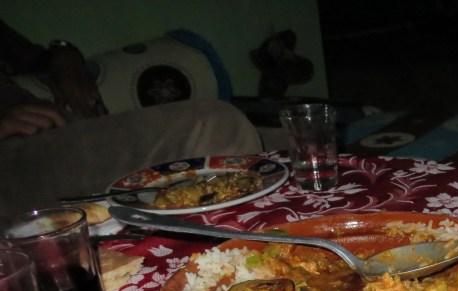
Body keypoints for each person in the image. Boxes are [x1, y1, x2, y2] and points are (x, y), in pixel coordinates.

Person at [0, 20, 263, 215]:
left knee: (276, 147)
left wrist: (63, 53)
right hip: (14, 157)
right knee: (213, 123)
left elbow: (30, 55)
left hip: (56, 126)